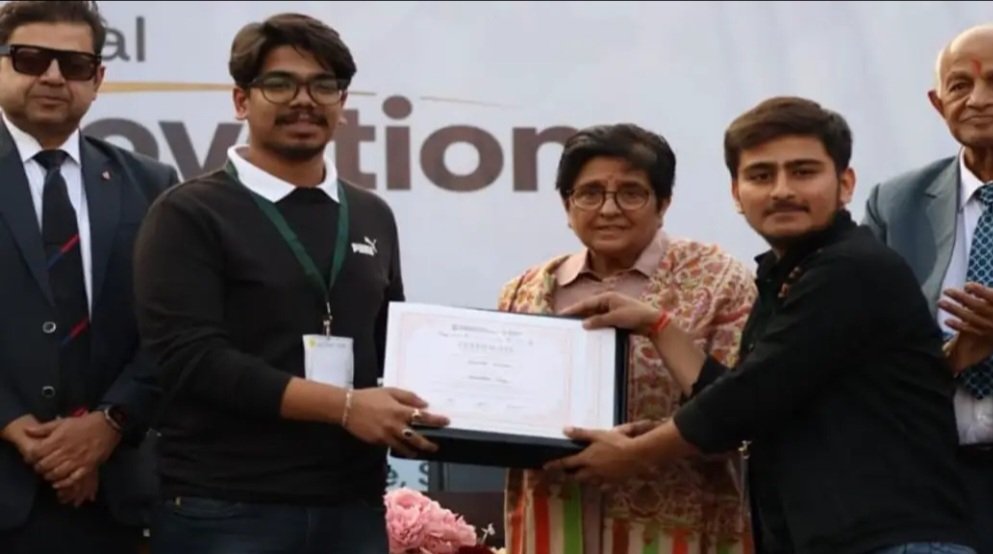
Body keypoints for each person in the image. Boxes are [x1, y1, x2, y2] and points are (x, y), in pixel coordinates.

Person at [545, 97, 980, 554]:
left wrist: (635, 455)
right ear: (736, 193)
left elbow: (743, 401)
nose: (781, 191)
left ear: (846, 184)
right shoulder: (788, 273)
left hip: (894, 540)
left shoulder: (852, 269)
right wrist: (657, 325)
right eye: (760, 176)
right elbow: (744, 395)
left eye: (803, 172)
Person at [132, 13, 447, 554]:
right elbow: (192, 360)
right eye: (280, 84)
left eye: (324, 85)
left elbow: (389, 346)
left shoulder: (371, 214)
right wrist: (344, 407)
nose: (304, 101)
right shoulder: (188, 213)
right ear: (241, 100)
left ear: (342, 102)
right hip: (225, 507)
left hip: (352, 506)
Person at [499, 123, 757, 554]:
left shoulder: (720, 280)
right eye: (590, 193)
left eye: (631, 193)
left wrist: (643, 449)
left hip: (676, 529)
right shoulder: (524, 289)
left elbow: (742, 414)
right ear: (566, 205)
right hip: (553, 522)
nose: (609, 209)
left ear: (663, 204)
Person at [0, 1, 180, 552]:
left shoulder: (151, 184)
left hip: (115, 496)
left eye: (75, 65)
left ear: (98, 79)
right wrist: (10, 421)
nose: (54, 76)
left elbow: (175, 327)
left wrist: (108, 424)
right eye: (31, 59)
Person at [863, 23, 993, 554]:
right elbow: (863, 351)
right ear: (939, 105)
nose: (978, 99)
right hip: (927, 478)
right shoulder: (896, 205)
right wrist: (952, 357)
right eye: (961, 85)